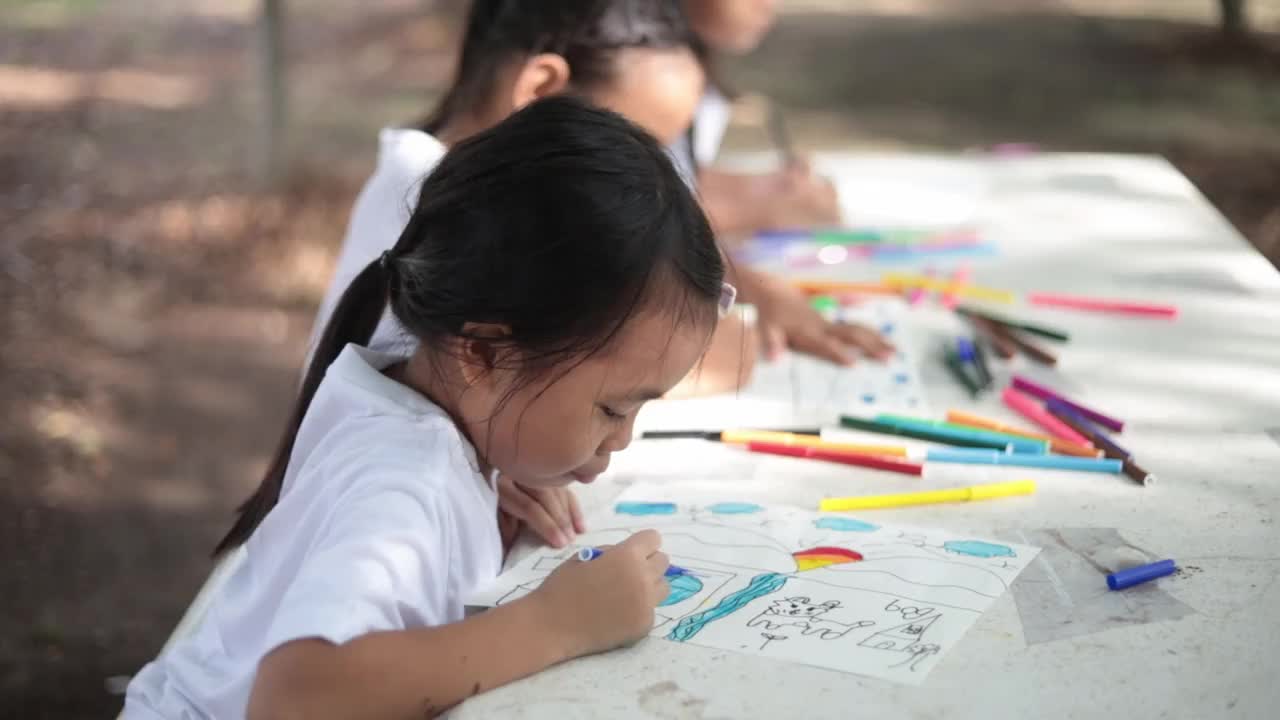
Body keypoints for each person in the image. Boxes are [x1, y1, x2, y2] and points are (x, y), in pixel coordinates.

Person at [123, 97, 727, 720]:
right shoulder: (403, 483)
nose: (622, 439)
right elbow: (295, 698)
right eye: (610, 409)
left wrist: (491, 480)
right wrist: (558, 623)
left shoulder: (415, 398)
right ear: (485, 358)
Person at [310, 0, 891, 550]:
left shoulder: (474, 195)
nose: (661, 180)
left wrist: (753, 290)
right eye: (625, 147)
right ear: (540, 91)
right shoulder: (438, 211)